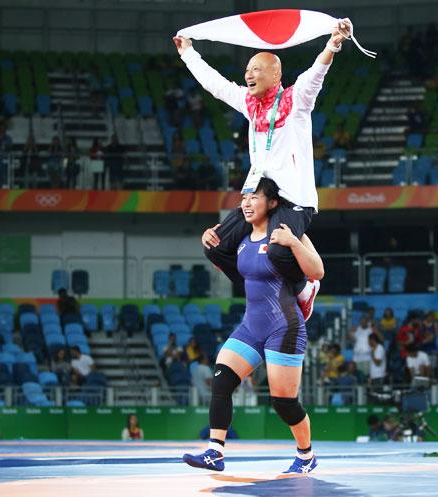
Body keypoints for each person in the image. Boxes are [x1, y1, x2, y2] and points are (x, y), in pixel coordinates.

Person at [175, 20, 351, 321]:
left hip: (293, 199)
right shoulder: (249, 103)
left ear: (275, 73)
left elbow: (315, 75)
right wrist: (188, 53)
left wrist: (333, 43)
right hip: (259, 195)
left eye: (256, 68)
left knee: (279, 252)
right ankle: (262, 292)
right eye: (247, 69)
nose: (248, 74)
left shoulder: (296, 101)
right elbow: (215, 85)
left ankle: (304, 289)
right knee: (215, 248)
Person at [183, 178, 325, 474]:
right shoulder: (241, 236)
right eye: (244, 197)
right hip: (251, 326)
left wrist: (294, 243)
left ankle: (306, 455)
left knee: (283, 401)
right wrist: (208, 238)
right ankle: (215, 452)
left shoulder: (285, 231)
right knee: (221, 381)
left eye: (254, 197)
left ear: (272, 203)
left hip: (283, 327)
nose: (246, 203)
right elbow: (229, 262)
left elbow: (318, 270)